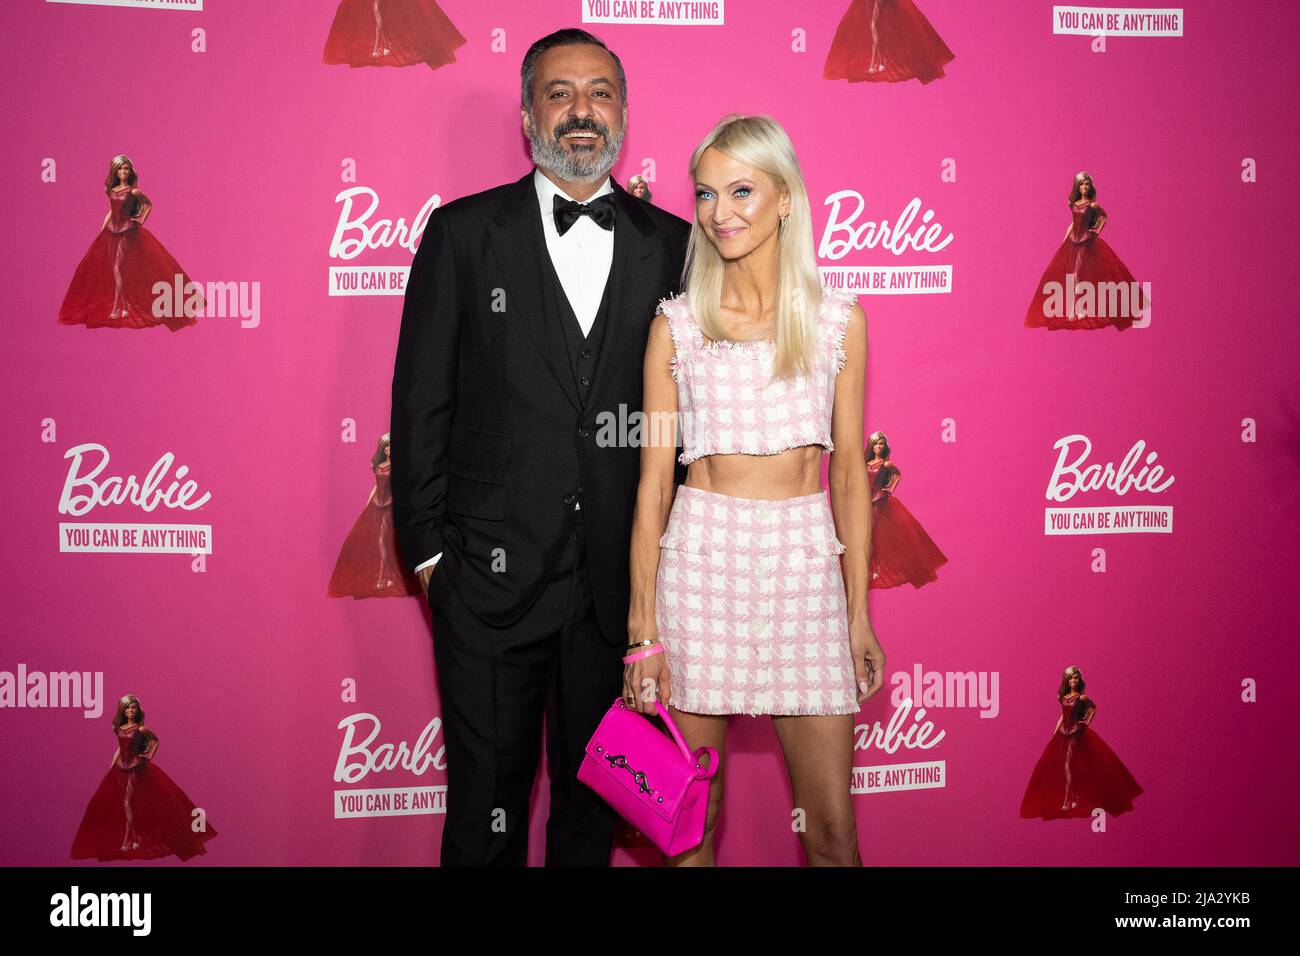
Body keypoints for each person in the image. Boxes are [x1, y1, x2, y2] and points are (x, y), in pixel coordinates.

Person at [389, 28, 690, 866]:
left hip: (618, 596)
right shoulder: (461, 235)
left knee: (592, 822)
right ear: (529, 116)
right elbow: (420, 407)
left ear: (624, 112)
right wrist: (428, 564)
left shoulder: (674, 245)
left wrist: (665, 577)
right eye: (560, 93)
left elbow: (692, 422)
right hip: (485, 585)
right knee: (485, 815)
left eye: (599, 92)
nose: (582, 111)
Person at [625, 114, 886, 866]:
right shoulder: (676, 328)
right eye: (706, 194)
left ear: (785, 201)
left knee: (833, 834)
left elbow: (845, 478)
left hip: (804, 570)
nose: (719, 212)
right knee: (688, 828)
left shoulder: (840, 322)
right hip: (700, 569)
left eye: (741, 191)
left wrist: (858, 612)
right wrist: (645, 636)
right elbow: (652, 492)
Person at [57, 155, 201, 331]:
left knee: (118, 268)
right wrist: (101, 232)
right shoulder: (111, 190)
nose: (123, 172)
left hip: (126, 232)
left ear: (130, 171)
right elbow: (110, 211)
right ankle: (123, 307)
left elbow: (148, 205)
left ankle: (119, 307)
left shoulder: (133, 192)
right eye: (121, 169)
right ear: (115, 170)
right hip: (111, 232)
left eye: (126, 169)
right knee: (114, 269)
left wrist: (140, 221)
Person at [70, 694, 217, 861]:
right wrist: (111, 766)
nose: (131, 710)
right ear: (123, 710)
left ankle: (129, 839)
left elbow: (156, 741)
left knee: (128, 803)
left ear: (137, 710)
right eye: (128, 707)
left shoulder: (140, 729)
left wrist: (148, 756)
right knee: (124, 804)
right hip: (120, 768)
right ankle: (135, 838)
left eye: (133, 707)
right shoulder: (118, 728)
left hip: (135, 768)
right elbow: (119, 749)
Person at [1019, 666, 1143, 819]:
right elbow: (1061, 717)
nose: (1073, 680)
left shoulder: (1082, 698)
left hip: (1075, 733)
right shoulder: (1063, 697)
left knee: (1068, 765)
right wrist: (1054, 733)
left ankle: (1068, 799)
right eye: (1071, 678)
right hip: (1062, 733)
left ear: (1079, 680)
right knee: (1058, 765)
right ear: (1067, 680)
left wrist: (1086, 723)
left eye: (1076, 678)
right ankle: (1074, 797)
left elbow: (1093, 708)